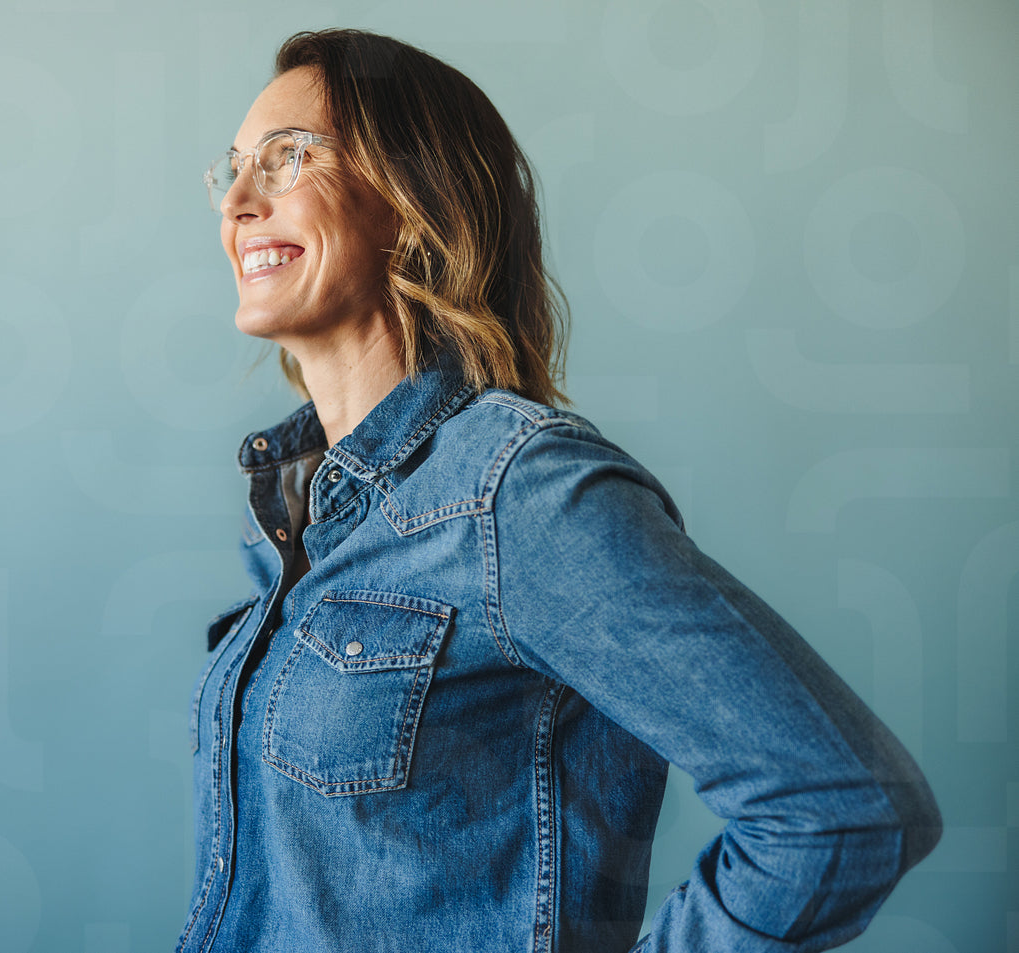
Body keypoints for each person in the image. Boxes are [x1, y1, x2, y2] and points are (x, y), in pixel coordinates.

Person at [181, 28, 941, 953]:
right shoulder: (296, 516)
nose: (239, 204)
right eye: (232, 171)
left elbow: (846, 806)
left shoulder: (519, 492)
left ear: (410, 203)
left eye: (285, 157)